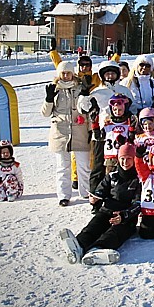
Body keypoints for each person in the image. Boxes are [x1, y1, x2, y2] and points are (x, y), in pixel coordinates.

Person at [58, 143, 141, 265]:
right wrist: (96, 198)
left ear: (134, 159)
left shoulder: (138, 179)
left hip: (125, 217)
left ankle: (97, 250)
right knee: (94, 226)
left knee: (115, 233)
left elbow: (138, 204)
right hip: (107, 210)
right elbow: (101, 190)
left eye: (129, 158)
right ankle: (78, 246)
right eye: (122, 158)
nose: (125, 162)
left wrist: (124, 216)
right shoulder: (112, 175)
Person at [42, 61, 92, 206]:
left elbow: (87, 111)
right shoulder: (55, 89)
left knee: (83, 165)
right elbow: (45, 113)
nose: (65, 76)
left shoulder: (79, 88)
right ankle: (63, 195)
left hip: (79, 131)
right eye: (63, 73)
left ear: (72, 73)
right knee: (63, 166)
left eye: (68, 73)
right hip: (60, 132)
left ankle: (86, 192)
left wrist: (89, 131)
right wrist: (49, 99)